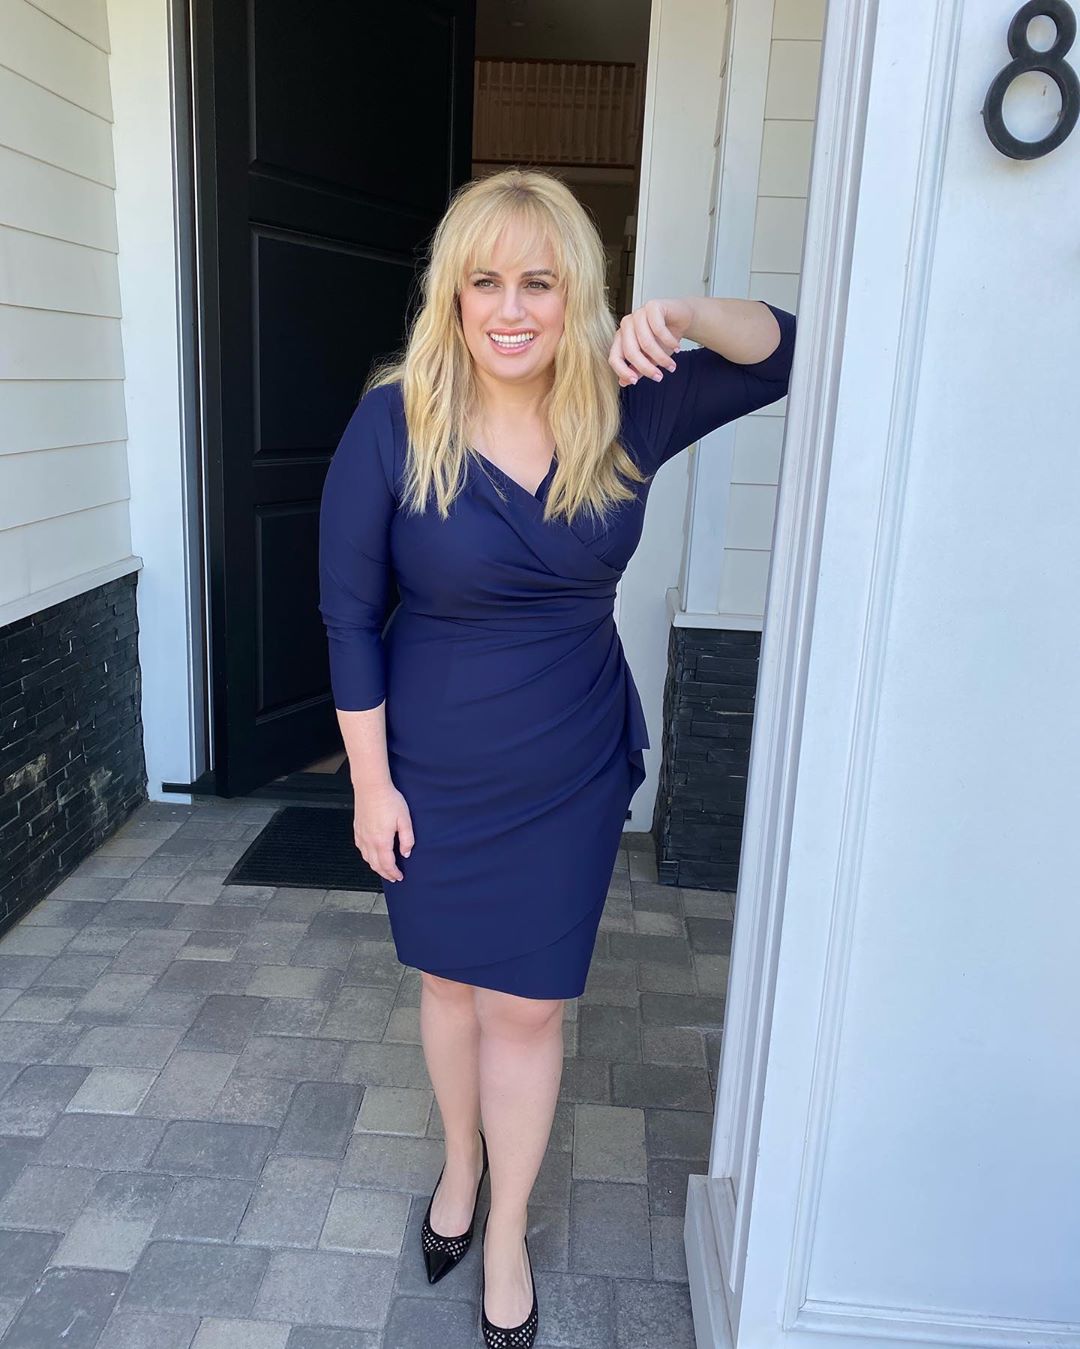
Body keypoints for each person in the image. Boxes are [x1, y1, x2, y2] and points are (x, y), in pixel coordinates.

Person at [318, 167, 796, 1348]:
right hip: (431, 761)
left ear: (576, 290)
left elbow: (781, 353)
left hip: (569, 762)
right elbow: (348, 615)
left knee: (528, 1008)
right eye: (486, 280)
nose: (511, 307)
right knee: (448, 984)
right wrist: (371, 783)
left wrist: (681, 314)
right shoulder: (396, 420)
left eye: (539, 281)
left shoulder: (627, 401)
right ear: (453, 292)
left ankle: (508, 1230)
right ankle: (459, 1163)